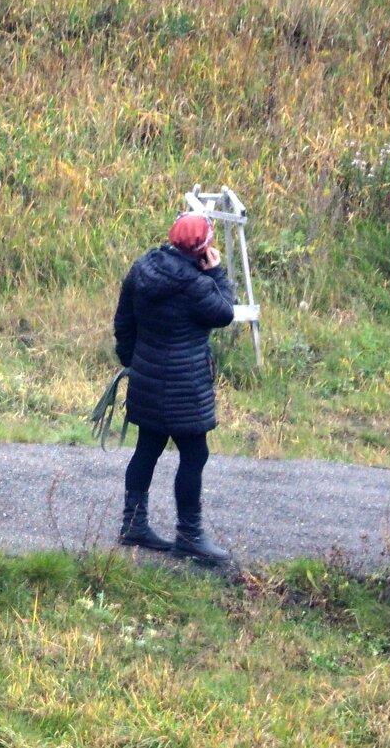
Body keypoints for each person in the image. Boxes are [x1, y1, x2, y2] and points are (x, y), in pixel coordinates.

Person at [113, 211, 235, 563]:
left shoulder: (143, 268)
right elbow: (225, 312)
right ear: (203, 248)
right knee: (195, 454)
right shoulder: (196, 285)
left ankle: (133, 525)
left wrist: (131, 361)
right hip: (184, 387)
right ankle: (190, 537)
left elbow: (124, 320)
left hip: (148, 380)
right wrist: (216, 273)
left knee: (147, 448)